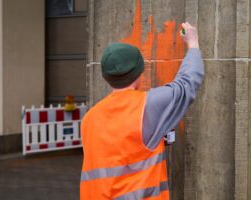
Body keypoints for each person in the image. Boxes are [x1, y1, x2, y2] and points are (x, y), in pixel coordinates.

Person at [80, 22, 204, 200]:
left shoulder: (89, 118)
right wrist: (193, 43)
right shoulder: (148, 105)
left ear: (106, 78)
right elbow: (187, 84)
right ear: (139, 73)